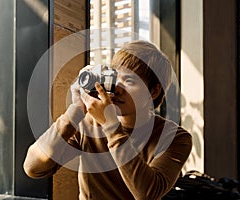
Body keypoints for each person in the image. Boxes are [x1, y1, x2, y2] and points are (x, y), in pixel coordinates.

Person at [23, 40, 192, 200]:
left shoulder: (175, 137)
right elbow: (34, 168)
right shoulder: (89, 123)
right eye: (114, 78)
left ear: (153, 92)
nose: (117, 88)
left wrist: (111, 126)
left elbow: (148, 194)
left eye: (129, 80)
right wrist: (75, 111)